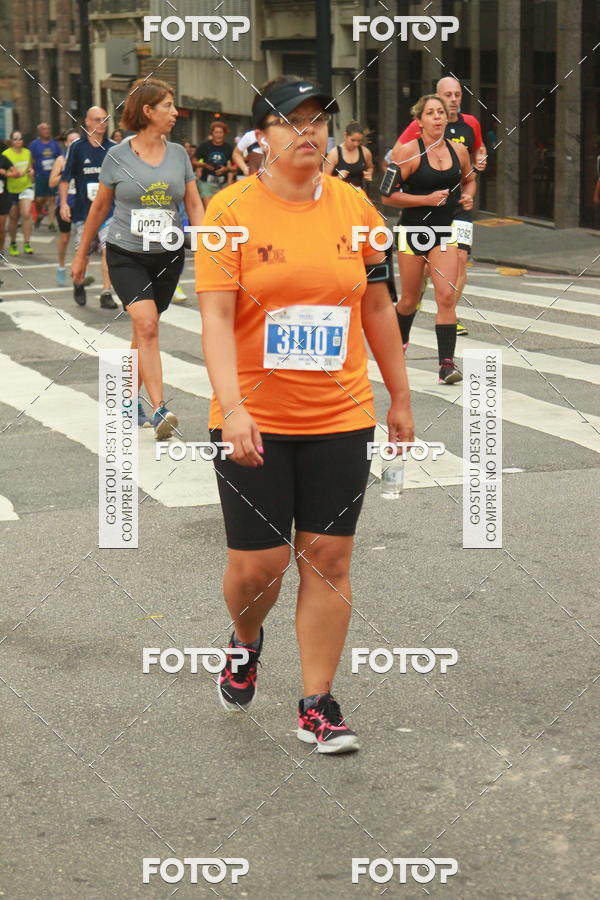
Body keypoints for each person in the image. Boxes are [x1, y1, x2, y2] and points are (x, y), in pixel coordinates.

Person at [196, 75, 415, 753]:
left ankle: (317, 702)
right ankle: (245, 639)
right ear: (262, 134)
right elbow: (213, 317)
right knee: (258, 566)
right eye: (294, 121)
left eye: (320, 120)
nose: (309, 132)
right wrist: (231, 408)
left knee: (329, 557)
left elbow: (378, 306)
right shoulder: (228, 212)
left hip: (339, 414)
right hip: (253, 415)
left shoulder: (355, 208)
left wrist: (401, 396)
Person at [72, 78, 203, 436]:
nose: (176, 113)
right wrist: (81, 255)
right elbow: (100, 208)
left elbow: (193, 203)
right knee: (147, 325)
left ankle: (127, 401)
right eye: (168, 106)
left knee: (143, 329)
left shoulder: (178, 154)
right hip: (126, 252)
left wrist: (206, 243)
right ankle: (160, 409)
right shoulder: (117, 155)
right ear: (148, 111)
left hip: (168, 254)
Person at [383, 94, 476, 384]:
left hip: (444, 232)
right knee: (409, 299)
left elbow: (470, 178)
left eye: (441, 113)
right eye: (430, 113)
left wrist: (468, 195)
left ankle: (446, 365)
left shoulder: (458, 152)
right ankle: (398, 345)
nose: (437, 117)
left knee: (446, 296)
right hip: (412, 233)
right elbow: (388, 196)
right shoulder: (407, 153)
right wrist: (425, 199)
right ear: (419, 121)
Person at [393, 76, 487, 336]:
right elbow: (395, 157)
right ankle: (417, 298)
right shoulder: (418, 129)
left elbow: (479, 151)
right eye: (448, 95)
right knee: (416, 282)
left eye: (457, 95)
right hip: (418, 220)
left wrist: (480, 162)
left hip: (458, 210)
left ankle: (448, 311)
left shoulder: (472, 124)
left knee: (460, 258)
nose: (453, 99)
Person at [59, 106, 118, 309]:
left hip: (109, 211)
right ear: (87, 122)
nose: (102, 123)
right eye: (97, 119)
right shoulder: (76, 148)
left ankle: (106, 292)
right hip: (84, 211)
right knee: (81, 253)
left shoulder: (113, 148)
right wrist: (64, 203)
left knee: (107, 250)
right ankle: (78, 283)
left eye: (105, 119)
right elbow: (65, 179)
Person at [49, 130, 90, 285]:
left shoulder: (86, 157)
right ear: (66, 143)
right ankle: (61, 266)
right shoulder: (61, 159)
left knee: (84, 240)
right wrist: (66, 172)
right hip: (65, 204)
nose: (74, 144)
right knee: (65, 239)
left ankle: (80, 271)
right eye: (71, 141)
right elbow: (51, 183)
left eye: (77, 141)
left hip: (82, 203)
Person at [4, 131, 35, 256]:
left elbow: (30, 167)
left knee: (26, 214)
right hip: (11, 189)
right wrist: (13, 174)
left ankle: (27, 243)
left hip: (25, 186)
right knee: (13, 218)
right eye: (15, 138)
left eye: (20, 138)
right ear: (11, 141)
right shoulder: (6, 154)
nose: (18, 141)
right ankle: (13, 243)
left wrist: (31, 171)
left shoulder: (27, 153)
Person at [29, 122, 62, 231]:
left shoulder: (54, 144)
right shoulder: (34, 144)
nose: (47, 131)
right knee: (39, 200)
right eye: (44, 129)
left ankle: (51, 223)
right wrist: (31, 171)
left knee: (52, 199)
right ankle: (39, 214)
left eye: (48, 128)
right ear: (39, 131)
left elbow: (59, 158)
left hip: (52, 175)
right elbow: (31, 159)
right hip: (40, 175)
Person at [195, 120, 234, 209]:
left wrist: (226, 169)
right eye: (216, 132)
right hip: (206, 182)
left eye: (221, 132)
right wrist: (204, 165)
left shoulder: (229, 148)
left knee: (221, 209)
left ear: (224, 134)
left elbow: (235, 166)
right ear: (212, 133)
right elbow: (193, 161)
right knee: (209, 208)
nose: (218, 134)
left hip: (222, 183)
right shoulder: (204, 146)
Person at [324, 121, 374, 190]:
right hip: (339, 194)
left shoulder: (365, 152)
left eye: (359, 141)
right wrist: (337, 178)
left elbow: (370, 167)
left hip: (358, 194)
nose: (356, 144)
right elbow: (324, 179)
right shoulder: (334, 154)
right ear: (345, 136)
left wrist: (369, 173)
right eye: (352, 140)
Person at [0, 144, 13, 260]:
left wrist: (5, 173)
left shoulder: (3, 159)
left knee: (1, 228)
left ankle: (1, 251)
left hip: (3, 196)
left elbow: (16, 172)